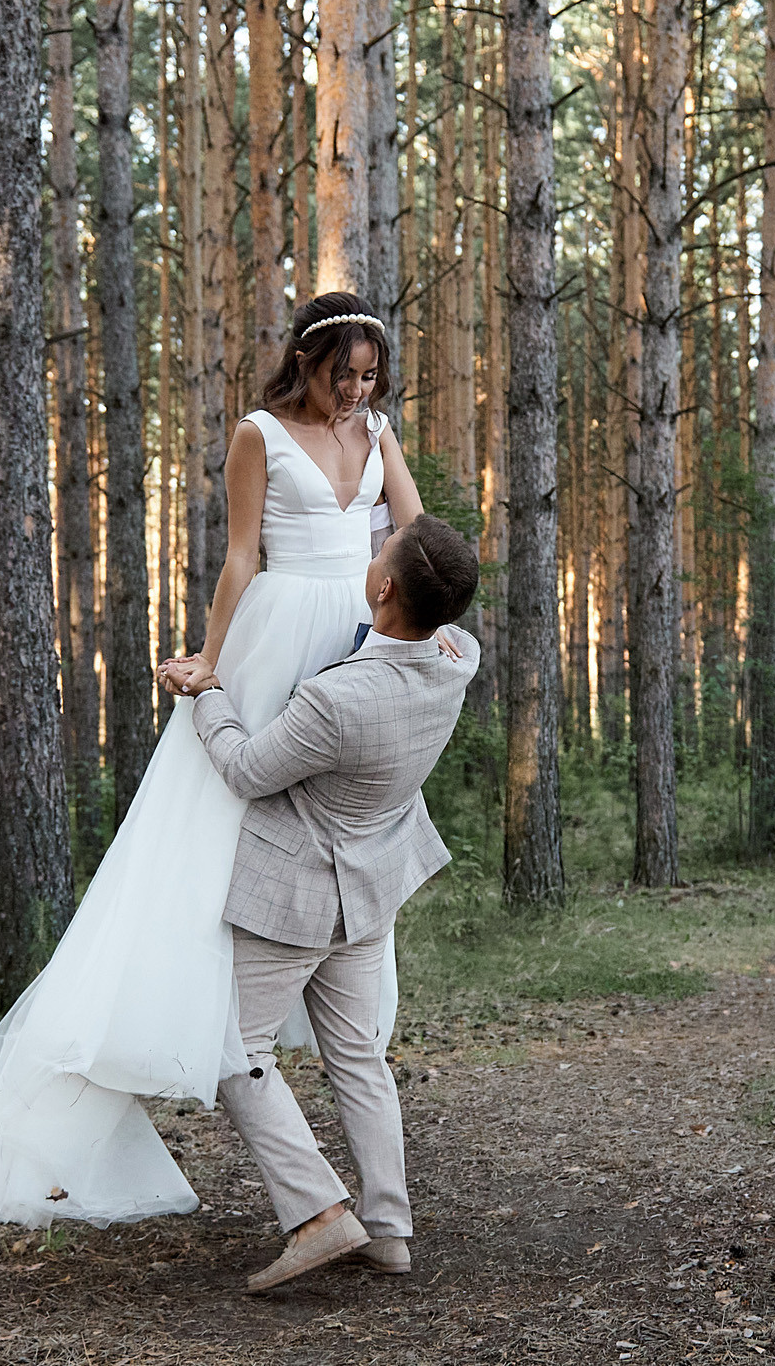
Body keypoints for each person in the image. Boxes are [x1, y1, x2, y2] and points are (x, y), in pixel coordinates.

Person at [0, 292, 442, 1229]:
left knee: (332, 814)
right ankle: (185, 1018)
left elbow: (412, 537)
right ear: (309, 362)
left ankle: (322, 1010)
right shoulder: (259, 433)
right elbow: (241, 558)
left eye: (372, 377)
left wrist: (430, 634)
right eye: (347, 375)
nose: (359, 391)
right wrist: (211, 661)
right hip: (275, 637)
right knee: (227, 811)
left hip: (360, 633)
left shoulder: (377, 434)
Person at [170, 513, 481, 1289]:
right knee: (358, 1055)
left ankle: (317, 1213)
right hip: (372, 887)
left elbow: (244, 768)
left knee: (234, 1049)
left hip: (300, 893)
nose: (374, 548)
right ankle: (389, 1228)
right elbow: (424, 629)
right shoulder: (457, 657)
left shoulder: (336, 699)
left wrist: (204, 689)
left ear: (381, 587)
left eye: (383, 549)